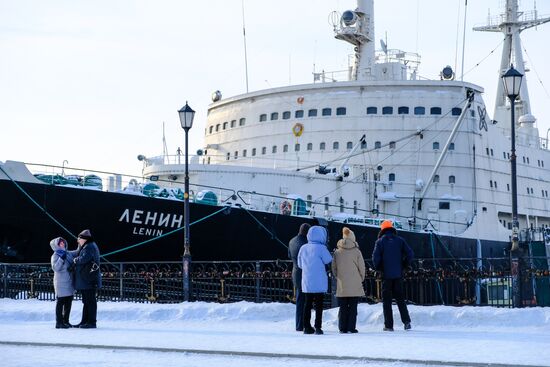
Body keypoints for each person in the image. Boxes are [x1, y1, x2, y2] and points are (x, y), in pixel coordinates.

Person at [372, 220, 414, 331]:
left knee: (387, 301)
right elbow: (410, 254)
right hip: (398, 275)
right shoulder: (400, 241)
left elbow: (375, 258)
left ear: (382, 230)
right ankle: (406, 321)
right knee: (400, 299)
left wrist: (380, 268)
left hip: (386, 275)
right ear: (392, 229)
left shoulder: (380, 242)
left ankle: (389, 325)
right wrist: (404, 265)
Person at [297, 225, 332, 335]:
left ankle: (306, 327)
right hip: (319, 281)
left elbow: (299, 264)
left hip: (307, 280)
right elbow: (328, 260)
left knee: (307, 304)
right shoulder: (322, 248)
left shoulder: (303, 248)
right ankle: (318, 327)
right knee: (319, 305)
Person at [332, 227, 365, 333]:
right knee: (353, 308)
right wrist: (361, 278)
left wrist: (338, 277)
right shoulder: (357, 251)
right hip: (355, 283)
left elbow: (334, 267)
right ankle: (351, 327)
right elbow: (362, 267)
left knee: (343, 307)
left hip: (342, 284)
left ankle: (342, 328)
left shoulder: (337, 252)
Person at [73, 229, 102, 329]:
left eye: (79, 238)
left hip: (88, 279)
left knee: (90, 301)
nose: (77, 240)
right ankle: (84, 321)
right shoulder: (88, 246)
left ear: (84, 239)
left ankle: (91, 322)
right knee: (86, 301)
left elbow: (84, 258)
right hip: (87, 279)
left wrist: (75, 260)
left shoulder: (89, 247)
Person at [288, 223, 311, 332]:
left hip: (295, 272)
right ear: (307, 232)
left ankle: (298, 325)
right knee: (306, 301)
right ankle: (305, 324)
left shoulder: (291, 241)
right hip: (305, 274)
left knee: (299, 300)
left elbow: (289, 255)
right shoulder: (306, 243)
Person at [50, 237, 75, 329]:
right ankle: (59, 322)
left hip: (69, 282)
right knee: (60, 302)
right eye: (60, 243)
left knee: (69, 302)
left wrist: (81, 243)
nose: (63, 245)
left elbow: (76, 252)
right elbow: (55, 268)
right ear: (56, 245)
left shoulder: (68, 253)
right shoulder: (55, 255)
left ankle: (66, 321)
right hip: (60, 283)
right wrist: (61, 259)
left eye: (63, 243)